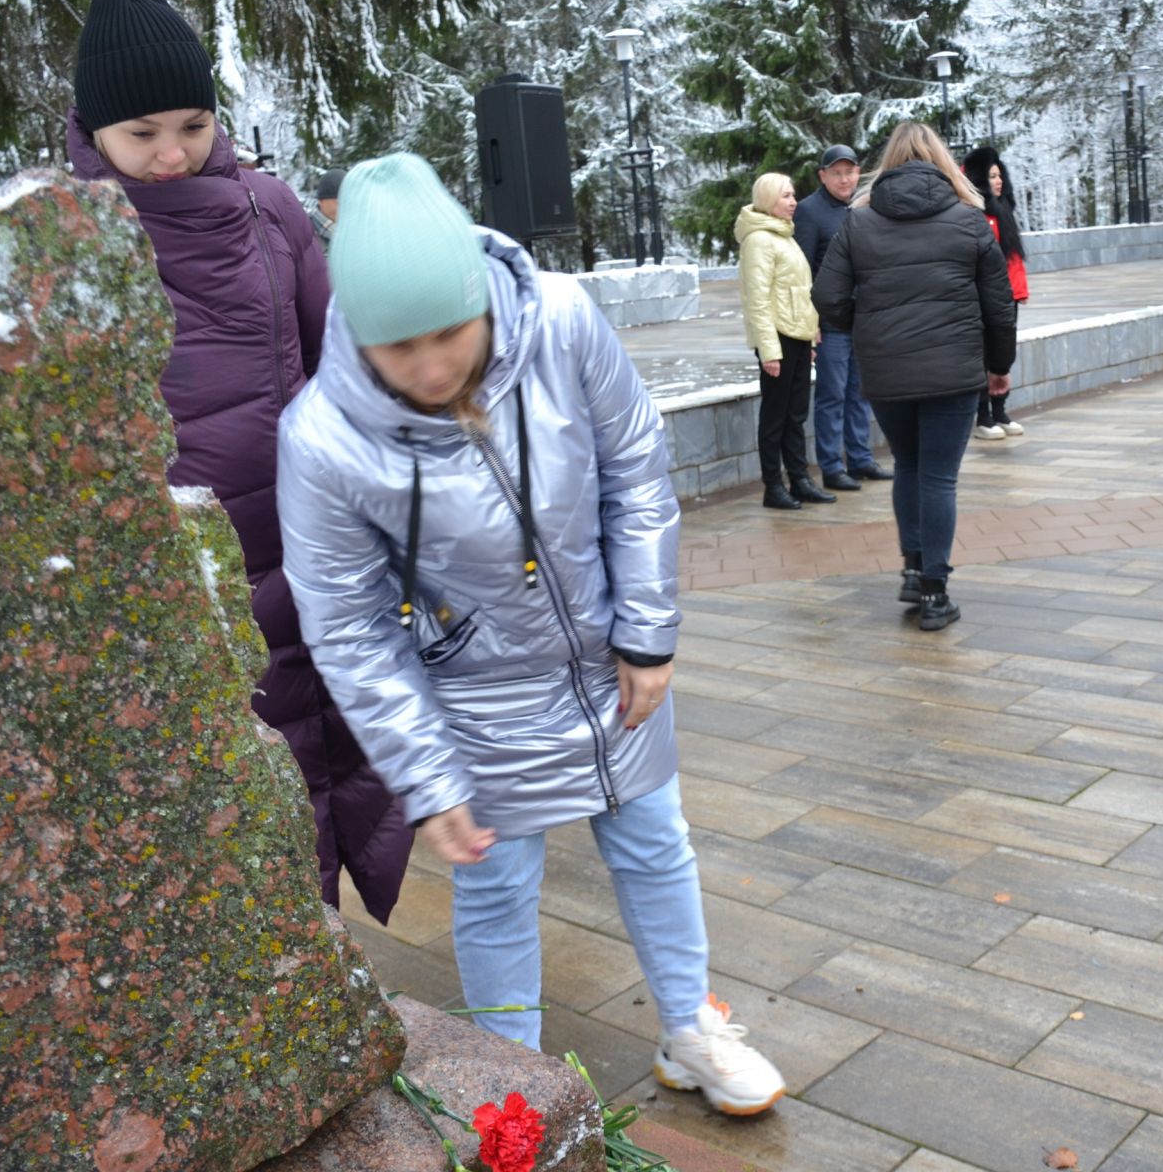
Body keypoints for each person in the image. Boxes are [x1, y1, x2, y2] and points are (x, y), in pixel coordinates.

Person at [276, 153, 787, 1116]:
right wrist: (426, 781)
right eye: (398, 349)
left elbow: (633, 469)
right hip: (472, 689)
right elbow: (345, 627)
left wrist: (646, 635)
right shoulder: (324, 438)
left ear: (481, 298)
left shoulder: (558, 320)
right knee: (495, 879)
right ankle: (511, 1075)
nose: (430, 367)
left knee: (655, 841)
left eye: (448, 334)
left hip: (607, 658)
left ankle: (691, 1025)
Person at [65, 0, 411, 923]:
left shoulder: (272, 211)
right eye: (142, 134)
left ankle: (329, 977)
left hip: (305, 545)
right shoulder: (67, 237)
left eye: (193, 124)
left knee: (331, 762)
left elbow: (344, 366)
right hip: (184, 568)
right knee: (239, 802)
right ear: (93, 129)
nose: (172, 152)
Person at [812, 122, 1016, 630]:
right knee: (939, 477)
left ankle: (912, 569)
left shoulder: (856, 224)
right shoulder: (970, 220)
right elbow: (999, 306)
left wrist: (867, 329)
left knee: (907, 466)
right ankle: (935, 592)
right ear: (940, 161)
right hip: (953, 370)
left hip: (885, 370)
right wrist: (999, 367)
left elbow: (828, 298)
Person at [795, 144, 892, 491]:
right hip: (831, 323)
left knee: (860, 393)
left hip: (863, 319)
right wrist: (811, 325)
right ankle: (832, 466)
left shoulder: (864, 207)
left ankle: (861, 459)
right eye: (836, 173)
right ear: (823, 175)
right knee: (832, 395)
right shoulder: (808, 212)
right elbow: (802, 271)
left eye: (850, 172)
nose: (844, 179)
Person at [737, 172, 833, 510]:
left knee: (795, 415)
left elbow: (797, 291)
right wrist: (768, 351)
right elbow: (757, 300)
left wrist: (811, 333)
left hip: (797, 336)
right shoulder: (760, 240)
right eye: (785, 196)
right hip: (777, 338)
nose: (793, 202)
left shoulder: (783, 235)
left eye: (793, 195)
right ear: (767, 199)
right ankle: (773, 487)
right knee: (775, 417)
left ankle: (800, 479)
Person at [961, 146, 1033, 438]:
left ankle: (1000, 410)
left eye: (1000, 175)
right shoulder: (972, 215)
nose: (999, 180)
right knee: (982, 356)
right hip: (980, 297)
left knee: (1002, 355)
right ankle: (983, 416)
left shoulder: (1003, 211)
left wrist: (1019, 291)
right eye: (992, 176)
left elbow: (1013, 259)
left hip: (1005, 297)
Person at [311, 166, 347, 249]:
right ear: (321, 201)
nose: (345, 207)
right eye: (339, 202)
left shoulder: (353, 232)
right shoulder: (303, 233)